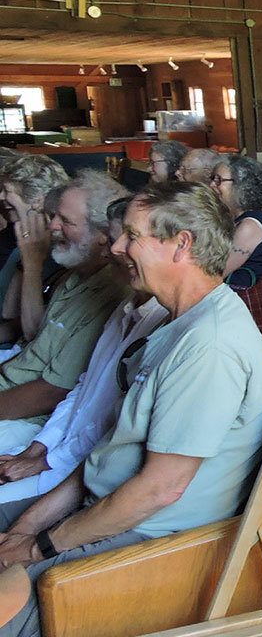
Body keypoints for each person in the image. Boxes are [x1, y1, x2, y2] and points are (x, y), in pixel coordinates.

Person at [0, 181, 262, 637]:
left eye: (132, 235)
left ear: (181, 244)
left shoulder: (209, 345)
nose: (117, 247)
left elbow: (158, 491)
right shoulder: (173, 321)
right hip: (101, 507)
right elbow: (107, 451)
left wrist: (35, 547)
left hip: (152, 539)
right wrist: (27, 525)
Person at [0, 197, 168, 503]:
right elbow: (82, 391)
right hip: (56, 446)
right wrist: (38, 448)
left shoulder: (158, 320)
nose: (111, 250)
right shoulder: (124, 306)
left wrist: (46, 459)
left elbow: (107, 422)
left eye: (124, 239)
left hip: (78, 469)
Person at [0, 172, 132, 451]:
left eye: (66, 221)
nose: (52, 227)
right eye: (54, 217)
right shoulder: (74, 273)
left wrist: (31, 262)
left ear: (103, 235)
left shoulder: (111, 292)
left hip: (26, 421)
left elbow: (53, 391)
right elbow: (30, 342)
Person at [209, 155, 262, 338]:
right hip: (223, 300)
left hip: (239, 308)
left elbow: (216, 273)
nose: (212, 185)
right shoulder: (230, 217)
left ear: (241, 186)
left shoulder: (249, 226)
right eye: (212, 178)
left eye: (219, 180)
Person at [0, 154, 69, 345]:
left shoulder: (60, 252)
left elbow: (28, 327)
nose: (1, 197)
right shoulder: (18, 237)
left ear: (37, 200)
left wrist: (30, 260)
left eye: (7, 191)